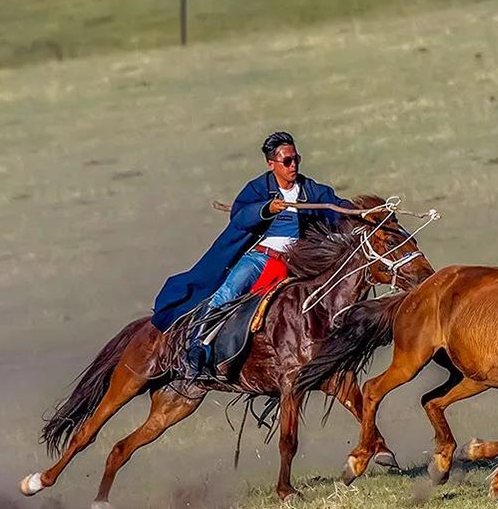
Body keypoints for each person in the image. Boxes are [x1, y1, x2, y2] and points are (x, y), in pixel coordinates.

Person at [151, 131, 353, 378]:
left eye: (296, 159)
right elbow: (240, 215)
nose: (293, 165)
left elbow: (338, 206)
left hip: (297, 263)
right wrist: (265, 208)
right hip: (261, 258)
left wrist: (363, 212)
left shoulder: (310, 190)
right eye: (287, 161)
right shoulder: (259, 188)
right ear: (272, 164)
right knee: (229, 292)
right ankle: (198, 345)